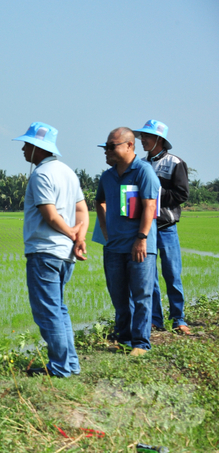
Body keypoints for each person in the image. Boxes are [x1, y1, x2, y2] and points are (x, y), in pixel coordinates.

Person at [12, 122, 89, 378]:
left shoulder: (40, 175)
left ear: (38, 148)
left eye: (27, 145)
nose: (23, 149)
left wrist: (70, 234)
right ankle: (70, 364)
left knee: (47, 311)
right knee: (59, 308)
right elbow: (81, 210)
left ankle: (59, 367)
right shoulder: (68, 172)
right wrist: (79, 237)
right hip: (65, 254)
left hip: (45, 251)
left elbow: (49, 214)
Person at [95, 127, 161, 356]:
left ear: (129, 145)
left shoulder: (143, 172)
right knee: (119, 296)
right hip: (114, 247)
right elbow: (99, 202)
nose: (107, 151)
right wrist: (106, 232)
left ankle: (141, 343)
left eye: (111, 146)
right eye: (106, 147)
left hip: (139, 246)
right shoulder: (107, 176)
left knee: (142, 295)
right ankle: (123, 338)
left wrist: (141, 238)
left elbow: (150, 206)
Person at [133, 120, 190, 334]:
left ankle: (179, 319)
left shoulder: (175, 163)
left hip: (166, 226)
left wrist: (153, 196)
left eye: (146, 137)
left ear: (158, 139)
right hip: (147, 229)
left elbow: (181, 194)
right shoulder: (141, 164)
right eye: (141, 137)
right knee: (150, 276)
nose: (142, 141)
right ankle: (155, 319)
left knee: (172, 273)